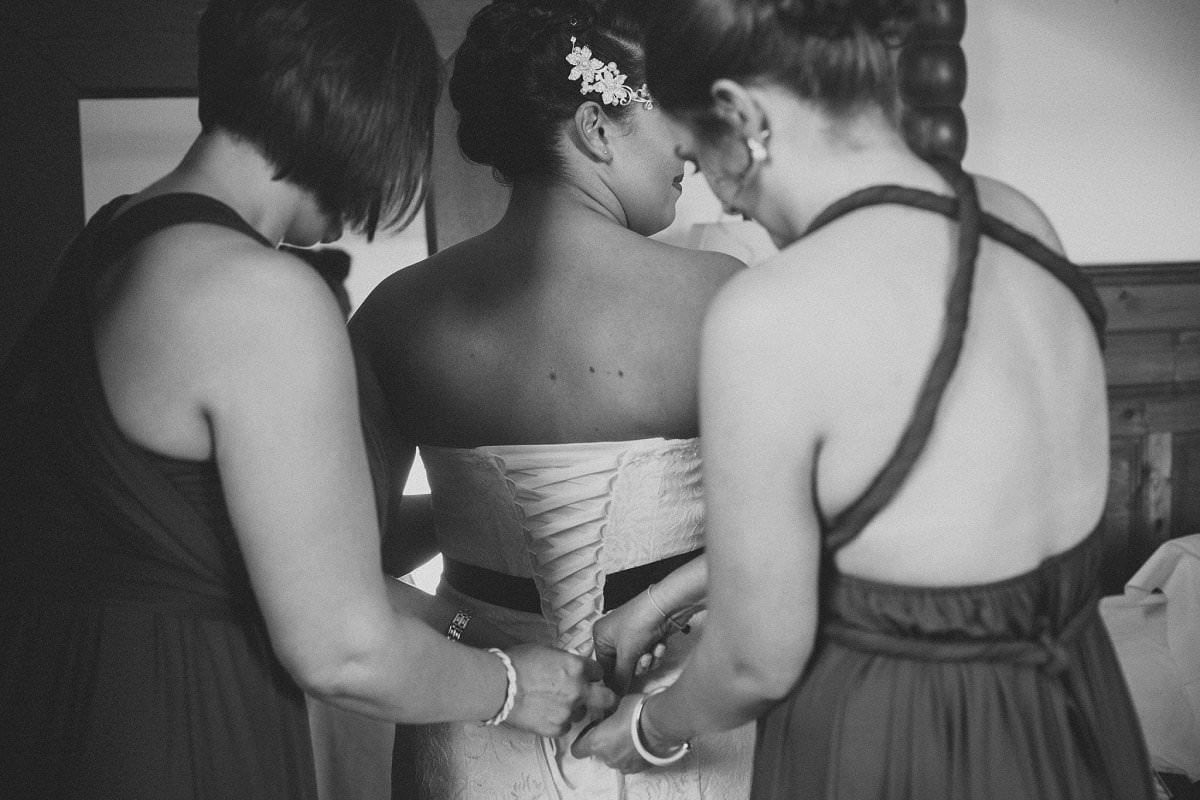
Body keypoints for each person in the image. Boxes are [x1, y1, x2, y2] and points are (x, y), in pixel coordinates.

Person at [0, 1, 611, 798]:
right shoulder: (259, 294)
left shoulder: (109, 243)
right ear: (357, 101)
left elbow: (247, 542)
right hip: (174, 723)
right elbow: (340, 648)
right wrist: (513, 687)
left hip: (56, 713)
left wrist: (476, 532)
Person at [572, 1, 1158, 798]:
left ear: (742, 115)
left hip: (908, 737)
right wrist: (665, 601)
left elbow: (756, 656)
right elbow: (925, 522)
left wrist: (650, 729)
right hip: (1075, 706)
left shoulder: (773, 310)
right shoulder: (1020, 221)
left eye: (698, 157)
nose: (721, 199)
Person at [349, 1, 755, 797]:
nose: (693, 151)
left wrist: (476, 622)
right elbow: (797, 535)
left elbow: (351, 562)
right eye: (674, 113)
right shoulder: (721, 300)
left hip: (476, 728)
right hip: (678, 727)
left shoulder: (399, 314)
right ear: (597, 127)